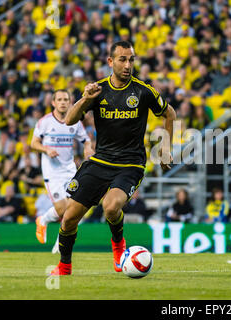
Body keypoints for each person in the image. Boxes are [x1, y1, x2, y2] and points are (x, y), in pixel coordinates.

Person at [50, 41, 176, 275]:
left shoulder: (143, 91)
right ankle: (64, 266)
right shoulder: (97, 90)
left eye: (131, 59)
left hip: (130, 163)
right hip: (100, 161)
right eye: (122, 59)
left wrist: (165, 148)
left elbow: (170, 113)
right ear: (110, 62)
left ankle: (118, 244)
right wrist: (86, 99)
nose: (128, 65)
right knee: (68, 219)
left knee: (110, 207)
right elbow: (68, 120)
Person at [31, 89, 93, 247]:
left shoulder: (75, 122)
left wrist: (87, 148)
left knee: (75, 210)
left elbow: (85, 140)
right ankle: (43, 220)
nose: (63, 102)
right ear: (53, 103)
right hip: (52, 172)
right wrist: (46, 149)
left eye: (66, 99)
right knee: (62, 210)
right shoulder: (45, 122)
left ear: (70, 102)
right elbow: (33, 144)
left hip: (70, 170)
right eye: (59, 99)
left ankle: (59, 247)